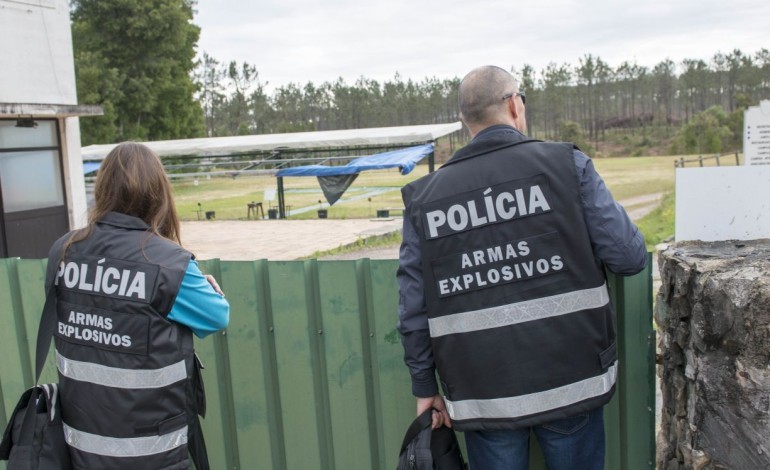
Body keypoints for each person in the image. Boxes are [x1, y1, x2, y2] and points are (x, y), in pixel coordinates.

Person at [396, 65, 647, 470]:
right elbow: (629, 257)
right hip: (571, 381)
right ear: (514, 104)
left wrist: (424, 386)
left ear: (465, 120)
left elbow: (413, 306)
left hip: (483, 391)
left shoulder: (425, 198)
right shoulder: (568, 165)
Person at [44, 142, 229, 469]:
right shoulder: (170, 265)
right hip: (153, 454)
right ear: (158, 195)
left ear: (103, 189)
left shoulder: (64, 250)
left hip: (81, 449)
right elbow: (216, 316)